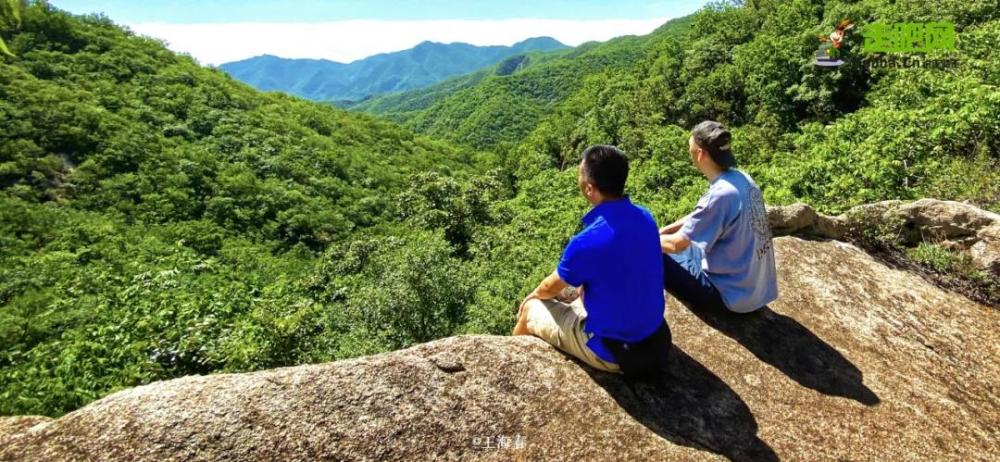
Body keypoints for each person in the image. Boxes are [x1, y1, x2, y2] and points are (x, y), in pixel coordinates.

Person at [512, 145, 671, 379]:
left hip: (617, 352)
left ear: (589, 189)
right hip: (656, 339)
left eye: (580, 173)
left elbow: (549, 288)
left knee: (531, 309)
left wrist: (532, 297)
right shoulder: (645, 216)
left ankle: (511, 366)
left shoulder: (587, 241)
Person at [658, 120, 778, 314]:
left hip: (731, 298)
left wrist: (642, 240)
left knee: (655, 254)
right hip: (757, 290)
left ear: (700, 153)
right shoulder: (741, 178)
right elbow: (702, 215)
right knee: (666, 243)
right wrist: (663, 231)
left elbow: (676, 245)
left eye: (690, 147)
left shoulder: (719, 195)